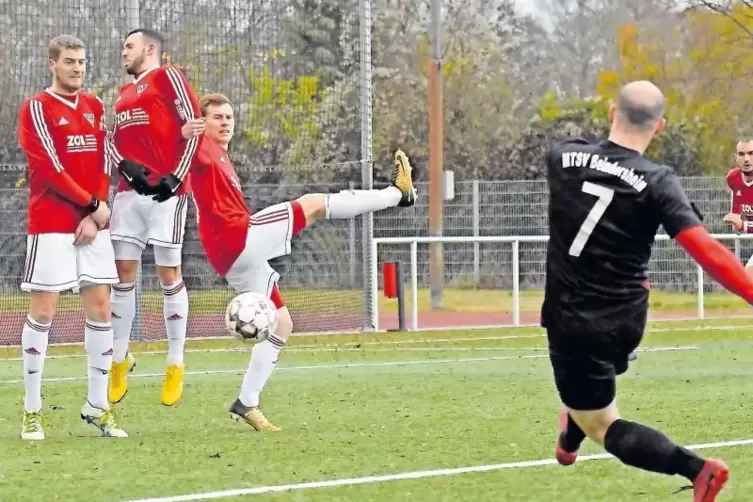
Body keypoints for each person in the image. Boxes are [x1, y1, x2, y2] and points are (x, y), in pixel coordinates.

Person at [137, 93, 416, 431]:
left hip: (232, 257)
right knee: (313, 203)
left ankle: (247, 401)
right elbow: (173, 135)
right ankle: (398, 194)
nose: (225, 122)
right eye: (216, 117)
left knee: (282, 325)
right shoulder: (198, 146)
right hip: (238, 237)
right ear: (201, 123)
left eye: (229, 116)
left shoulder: (219, 154)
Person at [543, 80, 753, 501]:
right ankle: (572, 426)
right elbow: (707, 251)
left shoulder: (561, 157)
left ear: (609, 113)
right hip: (627, 318)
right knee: (590, 386)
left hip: (575, 320)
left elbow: (584, 152)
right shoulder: (657, 181)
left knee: (603, 425)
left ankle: (698, 470)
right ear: (659, 128)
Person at [16, 34, 127, 439]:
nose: (77, 68)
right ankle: (31, 410)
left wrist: (95, 214)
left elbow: (102, 161)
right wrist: (92, 205)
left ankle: (99, 406)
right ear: (52, 64)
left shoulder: (96, 106)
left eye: (82, 61)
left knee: (101, 307)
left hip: (91, 223)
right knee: (44, 311)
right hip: (50, 223)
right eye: (69, 61)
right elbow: (46, 167)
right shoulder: (36, 108)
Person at [106, 28, 202, 407]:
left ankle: (175, 362)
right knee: (122, 276)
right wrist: (125, 167)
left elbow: (193, 127)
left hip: (168, 193)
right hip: (129, 196)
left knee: (168, 274)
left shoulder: (168, 76)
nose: (123, 51)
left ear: (149, 49)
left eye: (128, 46)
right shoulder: (122, 95)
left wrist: (176, 176)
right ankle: (118, 358)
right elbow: (113, 144)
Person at [723, 138, 753, 279]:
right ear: (736, 157)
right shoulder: (733, 178)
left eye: (751, 153)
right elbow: (736, 218)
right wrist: (736, 221)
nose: (746, 159)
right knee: (747, 279)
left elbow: (741, 225)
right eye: (741, 154)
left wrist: (743, 225)